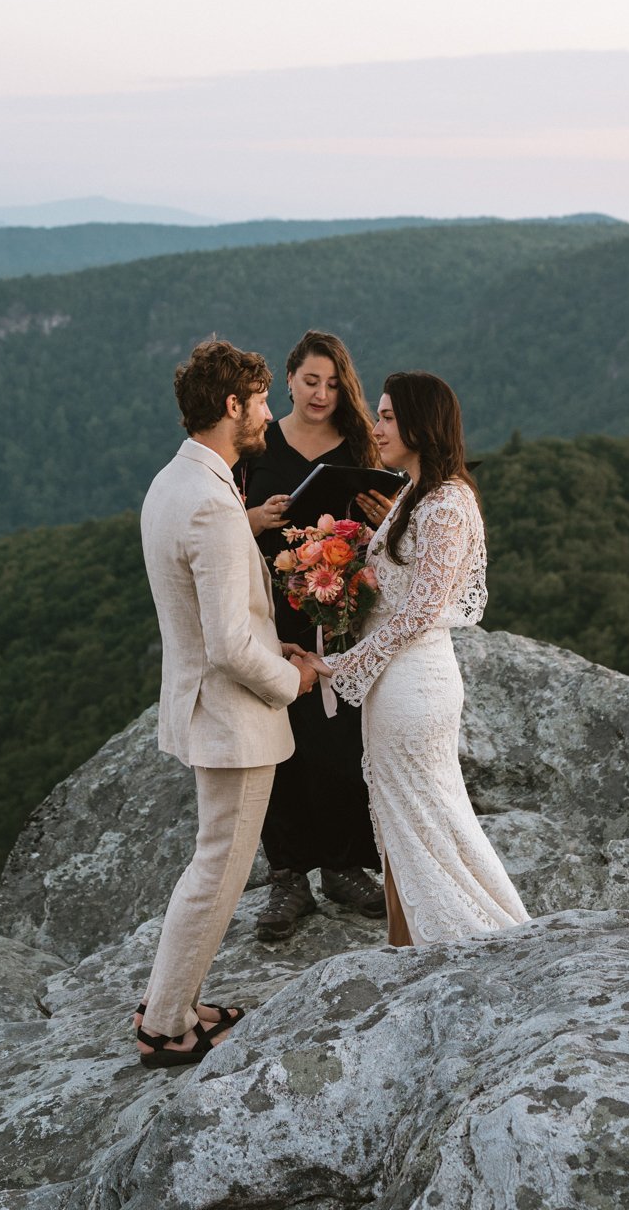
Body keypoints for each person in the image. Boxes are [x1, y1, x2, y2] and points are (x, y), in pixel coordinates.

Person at [130, 340, 320, 1068]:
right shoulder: (211, 503)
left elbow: (203, 556)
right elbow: (230, 646)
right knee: (218, 870)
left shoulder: (176, 482)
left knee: (212, 863)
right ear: (231, 407)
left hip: (198, 706)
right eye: (262, 400)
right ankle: (167, 1023)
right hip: (232, 719)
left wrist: (253, 525)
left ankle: (174, 1003)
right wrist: (293, 680)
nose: (270, 413)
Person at [295, 371, 529, 946]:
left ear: (423, 424)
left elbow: (420, 612)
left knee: (426, 815)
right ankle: (405, 943)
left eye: (388, 417)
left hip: (416, 686)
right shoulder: (413, 493)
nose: (376, 428)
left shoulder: (447, 501)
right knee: (399, 820)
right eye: (379, 415)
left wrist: (340, 666)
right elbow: (403, 582)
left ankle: (470, 935)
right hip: (394, 685)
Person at [234, 331, 390, 941]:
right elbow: (217, 520)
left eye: (332, 383)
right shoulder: (257, 444)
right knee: (279, 735)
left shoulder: (358, 444)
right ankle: (288, 873)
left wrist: (380, 519)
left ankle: (344, 865)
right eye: (309, 381)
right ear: (291, 381)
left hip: (341, 605)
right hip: (270, 609)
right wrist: (255, 519)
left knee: (341, 732)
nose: (321, 393)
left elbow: (386, 529)